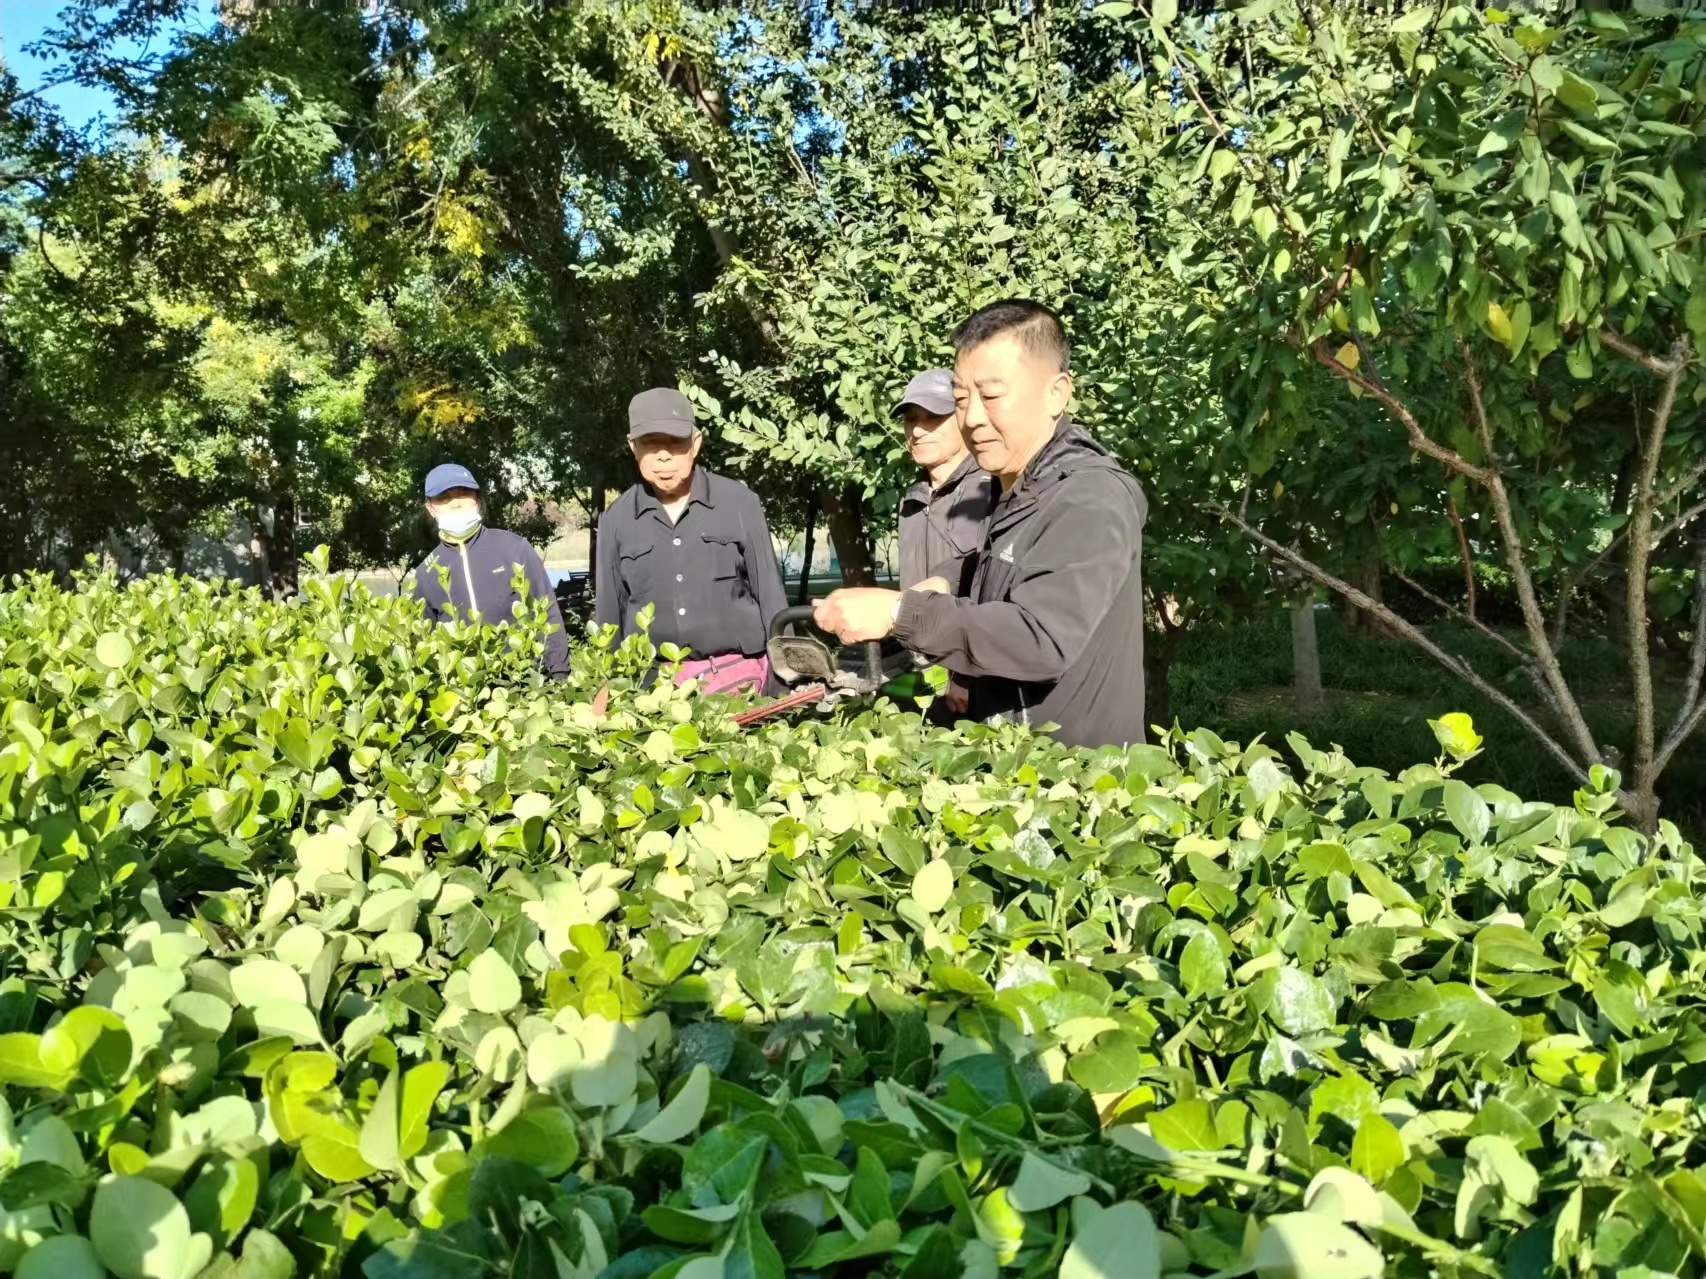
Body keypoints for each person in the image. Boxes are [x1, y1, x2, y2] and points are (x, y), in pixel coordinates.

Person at [813, 299, 1148, 749]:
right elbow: (1009, 565)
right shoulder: (1015, 485)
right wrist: (947, 579)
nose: (971, 418)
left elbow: (1040, 639)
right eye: (960, 399)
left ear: (1056, 393)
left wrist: (899, 612)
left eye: (991, 396)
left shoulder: (1089, 496)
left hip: (1076, 776)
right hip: (1014, 764)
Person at [594, 387, 788, 695]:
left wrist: (783, 683)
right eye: (651, 443)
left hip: (741, 683)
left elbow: (771, 596)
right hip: (652, 691)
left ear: (695, 443)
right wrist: (611, 691)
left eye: (675, 442)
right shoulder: (616, 520)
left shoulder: (740, 503)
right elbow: (609, 617)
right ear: (633, 446)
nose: (663, 455)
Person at [411, 462, 570, 678]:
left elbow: (548, 612)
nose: (456, 503)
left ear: (477, 499)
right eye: (444, 497)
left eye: (463, 493)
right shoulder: (426, 572)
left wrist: (559, 676)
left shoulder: (514, 548)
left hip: (525, 682)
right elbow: (425, 642)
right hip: (462, 690)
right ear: (431, 508)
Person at [894, 368, 998, 595]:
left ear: (964, 417)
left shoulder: (994, 489)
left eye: (933, 416)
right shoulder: (911, 502)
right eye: (910, 418)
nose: (917, 431)